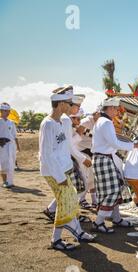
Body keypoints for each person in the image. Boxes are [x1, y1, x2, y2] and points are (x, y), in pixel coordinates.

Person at [39, 86, 96, 251]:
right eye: (69, 103)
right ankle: (57, 239)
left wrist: (81, 158)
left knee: (69, 201)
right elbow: (46, 155)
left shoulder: (64, 121)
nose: (72, 106)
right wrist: (59, 177)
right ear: (60, 103)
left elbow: (69, 145)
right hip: (53, 172)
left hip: (65, 168)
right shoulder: (47, 124)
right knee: (67, 201)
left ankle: (76, 232)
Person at [91, 97, 138, 234]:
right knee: (112, 190)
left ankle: (116, 218)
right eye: (116, 109)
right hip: (104, 159)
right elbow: (115, 143)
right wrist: (134, 145)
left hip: (104, 158)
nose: (117, 112)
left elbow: (112, 141)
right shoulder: (105, 122)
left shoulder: (102, 121)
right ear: (110, 108)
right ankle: (98, 222)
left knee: (115, 187)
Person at [75, 106, 101, 208]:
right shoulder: (86, 121)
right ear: (96, 113)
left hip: (91, 151)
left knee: (92, 177)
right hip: (82, 151)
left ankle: (94, 201)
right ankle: (81, 199)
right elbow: (78, 132)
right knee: (85, 177)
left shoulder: (99, 123)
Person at [0, 103, 19, 188]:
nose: (7, 112)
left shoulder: (11, 123)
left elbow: (14, 135)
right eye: (5, 111)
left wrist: (18, 146)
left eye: (8, 111)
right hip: (2, 146)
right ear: (1, 111)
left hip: (11, 146)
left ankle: (10, 181)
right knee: (3, 164)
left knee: (11, 164)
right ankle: (5, 181)